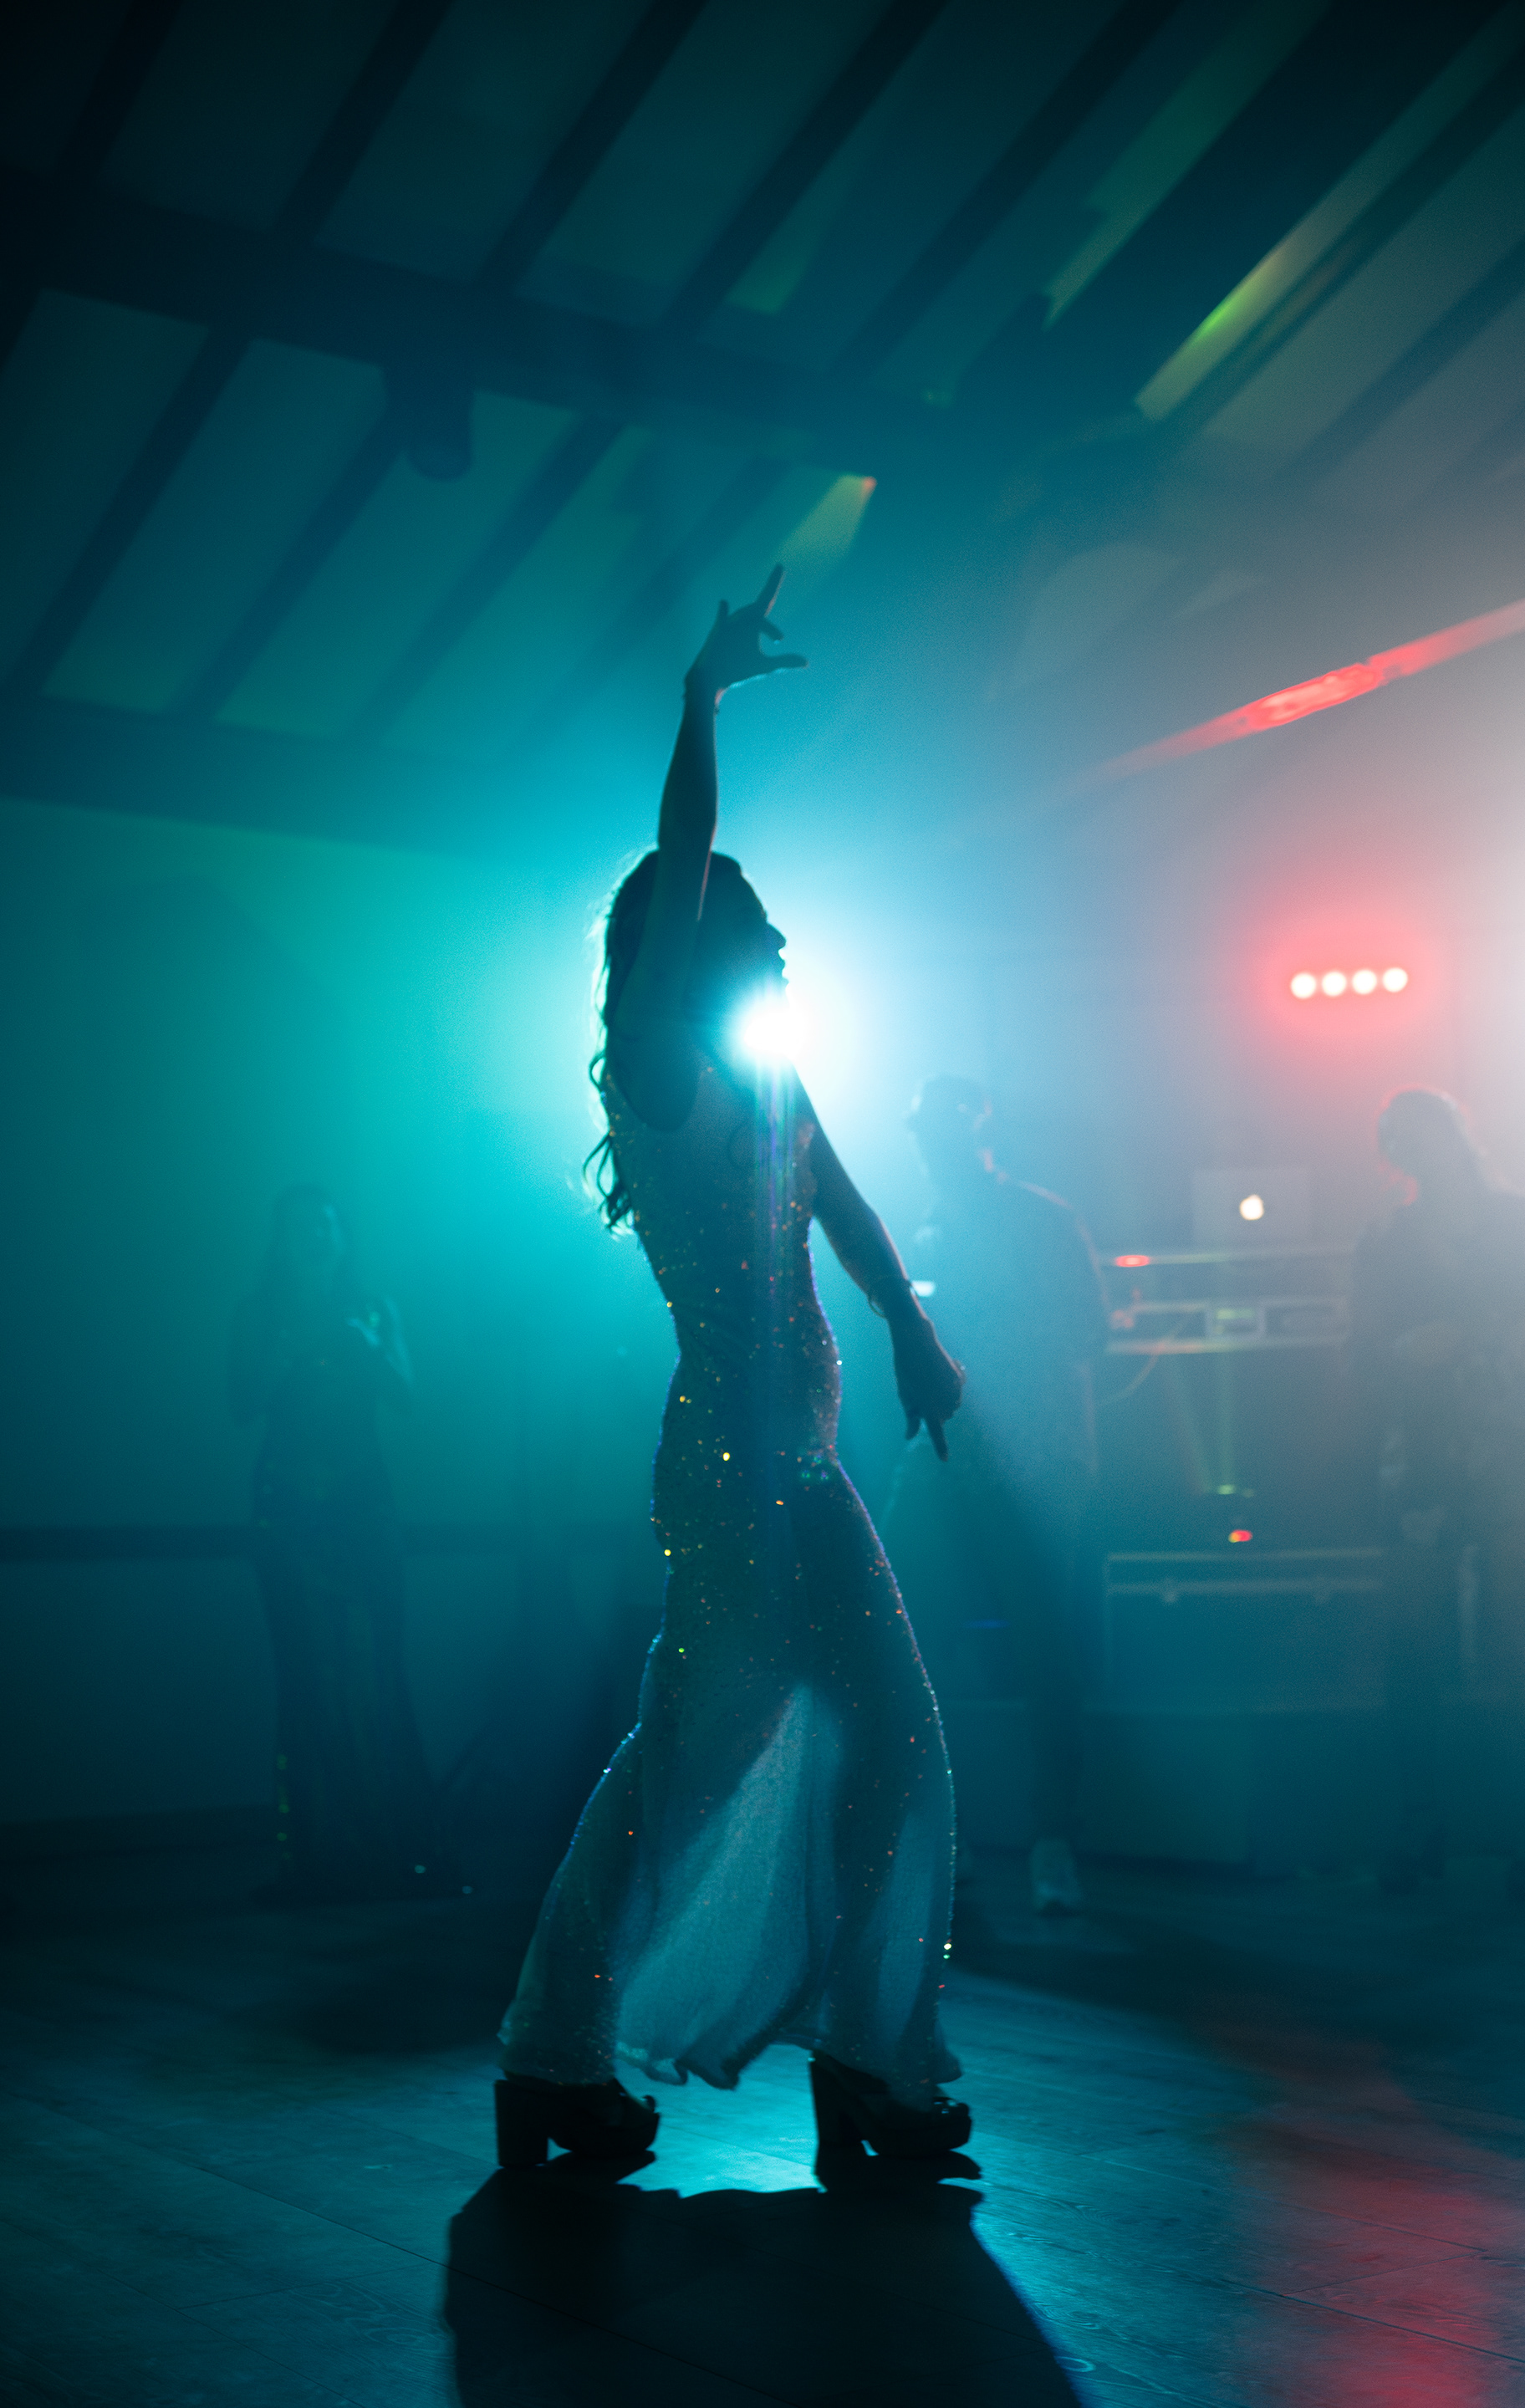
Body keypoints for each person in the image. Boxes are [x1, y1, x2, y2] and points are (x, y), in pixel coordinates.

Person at [495, 570, 970, 2168]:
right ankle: (592, 2057)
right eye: (746, 919)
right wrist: (701, 702)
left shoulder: (767, 1087)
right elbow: (687, 854)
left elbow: (849, 1209)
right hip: (736, 1470)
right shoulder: (661, 1075)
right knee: (739, 1765)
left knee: (822, 1750)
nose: (777, 936)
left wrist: (913, 1331)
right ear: (686, 944)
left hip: (796, 1462)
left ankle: (846, 2066)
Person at [1352, 1089, 1525, 1899]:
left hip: (1519, 1454)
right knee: (1414, 1649)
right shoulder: (1386, 1241)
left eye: (1428, 1137)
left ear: (1459, 1138)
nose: (1421, 1153)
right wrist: (1405, 1351)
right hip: (1426, 1457)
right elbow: (1360, 1353)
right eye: (1404, 1142)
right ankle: (1421, 1827)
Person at [880, 1077, 1107, 1913]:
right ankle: (946, 1833)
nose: (926, 1148)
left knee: (1043, 1641)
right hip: (951, 1450)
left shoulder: (1040, 1219)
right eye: (920, 1135)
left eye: (935, 1133)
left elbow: (1089, 1330)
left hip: (1033, 1457)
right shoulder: (930, 1227)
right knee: (901, 1630)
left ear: (974, 1131)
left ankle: (1052, 1842)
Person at [228, 1185, 444, 1900]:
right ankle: (314, 1857)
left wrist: (371, 1347)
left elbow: (408, 1398)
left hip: (361, 1502)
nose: (314, 1238)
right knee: (306, 1669)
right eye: (299, 1228)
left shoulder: (374, 1308)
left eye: (324, 1225)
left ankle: (394, 1848)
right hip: (289, 1505)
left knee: (377, 1665)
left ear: (342, 1237)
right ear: (280, 1242)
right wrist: (287, 1348)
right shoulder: (260, 1313)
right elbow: (240, 1404)